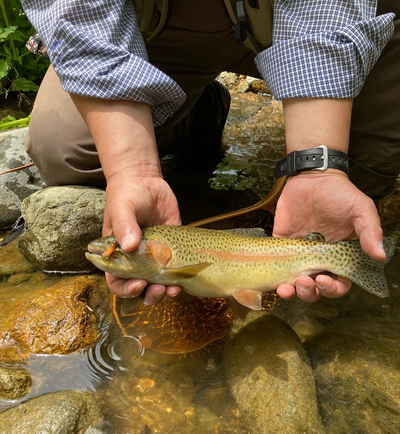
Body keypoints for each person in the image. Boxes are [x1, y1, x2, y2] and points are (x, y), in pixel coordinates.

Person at [21, 0, 399, 305]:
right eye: (117, 252)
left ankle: (352, 242)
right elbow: (79, 15)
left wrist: (320, 168)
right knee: (63, 151)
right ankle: (195, 109)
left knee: (364, 167)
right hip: (156, 23)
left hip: (322, 18)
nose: (112, 252)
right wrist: (132, 171)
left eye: (116, 251)